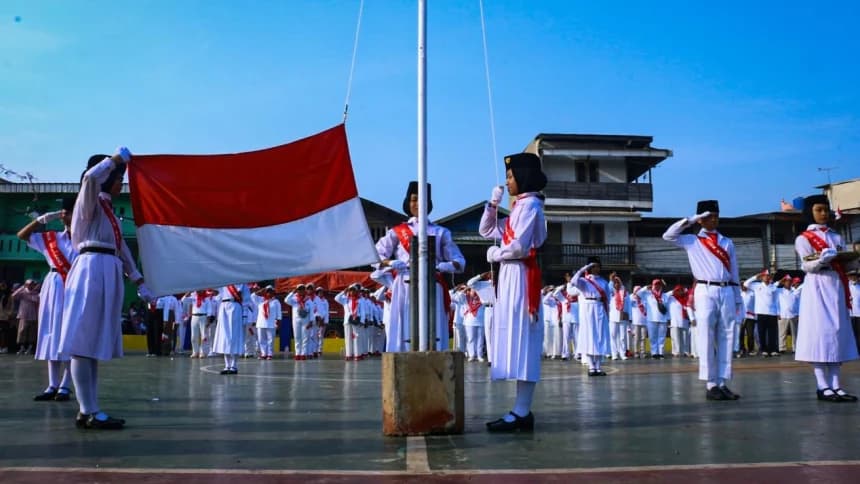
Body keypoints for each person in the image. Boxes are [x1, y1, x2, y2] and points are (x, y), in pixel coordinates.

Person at [59, 149, 154, 429]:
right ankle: (87, 411)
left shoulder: (109, 211)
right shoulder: (88, 199)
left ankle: (90, 408)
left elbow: (121, 248)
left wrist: (138, 280)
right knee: (82, 343)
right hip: (91, 268)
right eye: (118, 178)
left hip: (107, 268)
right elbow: (90, 178)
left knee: (92, 345)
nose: (120, 183)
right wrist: (112, 160)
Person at [479, 152, 547, 432]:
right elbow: (486, 231)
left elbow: (518, 246)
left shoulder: (531, 205)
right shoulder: (519, 207)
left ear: (524, 177)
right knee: (515, 337)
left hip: (520, 272)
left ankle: (522, 411)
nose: (507, 182)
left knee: (525, 340)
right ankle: (519, 409)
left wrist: (496, 254)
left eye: (510, 176)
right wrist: (493, 204)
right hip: (510, 273)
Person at [663, 200, 742, 401]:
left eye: (716, 215)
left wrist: (738, 298)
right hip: (705, 290)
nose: (713, 219)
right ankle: (710, 383)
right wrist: (691, 220)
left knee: (727, 335)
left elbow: (734, 273)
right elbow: (668, 235)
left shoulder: (727, 242)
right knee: (706, 335)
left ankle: (723, 381)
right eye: (708, 216)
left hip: (726, 290)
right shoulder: (691, 240)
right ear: (700, 219)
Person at [375, 181, 465, 351]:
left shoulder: (440, 232)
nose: (417, 204)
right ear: (408, 202)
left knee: (433, 327)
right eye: (414, 199)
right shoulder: (397, 231)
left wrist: (442, 266)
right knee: (404, 328)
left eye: (421, 199)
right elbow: (375, 256)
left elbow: (459, 262)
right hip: (404, 284)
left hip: (432, 283)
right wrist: (390, 263)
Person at [794, 194, 858, 402]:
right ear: (810, 212)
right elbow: (807, 266)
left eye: (825, 209)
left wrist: (853, 260)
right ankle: (822, 385)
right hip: (818, 285)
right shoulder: (803, 238)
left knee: (837, 332)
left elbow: (845, 264)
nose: (823, 214)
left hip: (836, 285)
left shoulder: (836, 237)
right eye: (818, 210)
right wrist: (822, 259)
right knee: (820, 333)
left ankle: (837, 385)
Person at [17, 197, 78, 401]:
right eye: (65, 212)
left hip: (74, 286)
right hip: (53, 285)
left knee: (70, 335)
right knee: (51, 333)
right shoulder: (51, 238)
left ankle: (65, 386)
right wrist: (41, 220)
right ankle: (52, 384)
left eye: (71, 212)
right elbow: (22, 235)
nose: (66, 216)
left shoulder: (85, 239)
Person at [212, 284, 251, 373]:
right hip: (223, 307)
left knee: (234, 336)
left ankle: (234, 365)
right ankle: (227, 365)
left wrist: (245, 315)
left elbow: (246, 300)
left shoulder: (242, 284)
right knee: (224, 336)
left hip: (235, 306)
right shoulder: (224, 281)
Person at [744, 270, 780, 357]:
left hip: (772, 313)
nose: (767, 277)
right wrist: (756, 276)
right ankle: (764, 350)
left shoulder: (773, 287)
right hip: (760, 312)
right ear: (762, 277)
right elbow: (746, 284)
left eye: (768, 276)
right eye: (765, 276)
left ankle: (773, 350)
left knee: (772, 333)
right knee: (762, 333)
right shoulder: (757, 286)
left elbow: (776, 301)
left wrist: (778, 312)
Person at [635, 279, 670, 359]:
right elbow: (638, 293)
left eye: (659, 284)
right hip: (651, 319)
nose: (657, 286)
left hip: (662, 319)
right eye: (655, 284)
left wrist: (668, 318)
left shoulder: (664, 295)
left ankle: (661, 353)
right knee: (652, 337)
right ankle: (654, 353)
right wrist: (646, 287)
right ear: (653, 285)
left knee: (661, 337)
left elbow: (667, 308)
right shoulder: (648, 294)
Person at [12, 279, 40, 355]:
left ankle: (30, 348)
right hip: (23, 315)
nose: (31, 285)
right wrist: (22, 288)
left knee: (32, 333)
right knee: (22, 332)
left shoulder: (36, 293)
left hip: (32, 315)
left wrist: (29, 295)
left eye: (32, 284)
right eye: (29, 284)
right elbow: (13, 296)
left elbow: (36, 300)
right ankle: (22, 348)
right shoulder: (22, 292)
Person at [255, 286, 281, 360]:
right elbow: (253, 296)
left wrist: (278, 322)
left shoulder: (276, 302)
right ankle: (263, 354)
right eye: (267, 291)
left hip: (271, 323)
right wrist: (261, 290)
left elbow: (279, 313)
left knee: (270, 339)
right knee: (261, 339)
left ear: (273, 292)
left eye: (270, 291)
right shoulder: (260, 300)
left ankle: (270, 354)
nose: (269, 293)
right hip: (261, 322)